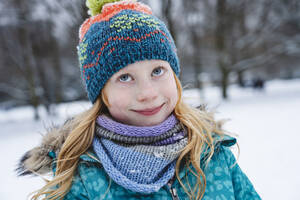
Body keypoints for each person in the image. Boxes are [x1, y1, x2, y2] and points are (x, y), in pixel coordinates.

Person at [17, 0, 261, 199]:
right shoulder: (82, 175)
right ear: (101, 93)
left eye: (157, 71)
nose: (148, 93)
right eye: (125, 77)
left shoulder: (211, 151)